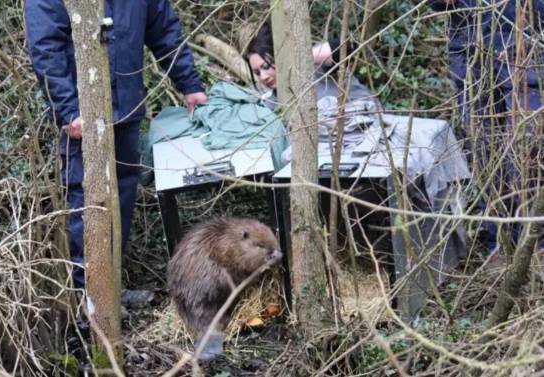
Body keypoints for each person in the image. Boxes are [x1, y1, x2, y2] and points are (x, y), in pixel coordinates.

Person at [24, 0, 208, 290]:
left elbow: (164, 30)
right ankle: (88, 307)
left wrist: (190, 84)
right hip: (82, 121)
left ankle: (112, 292)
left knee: (121, 204)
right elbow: (46, 49)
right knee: (86, 208)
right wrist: (68, 110)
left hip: (127, 110)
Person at [428, 0, 544, 254]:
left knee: (527, 147)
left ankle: (535, 243)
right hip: (470, 51)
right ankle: (498, 244)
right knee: (482, 149)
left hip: (525, 42)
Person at [245, 21, 382, 160]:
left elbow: (346, 46)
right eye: (257, 72)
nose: (263, 76)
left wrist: (297, 61)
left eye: (267, 66)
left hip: (371, 136)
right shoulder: (272, 101)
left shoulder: (316, 67)